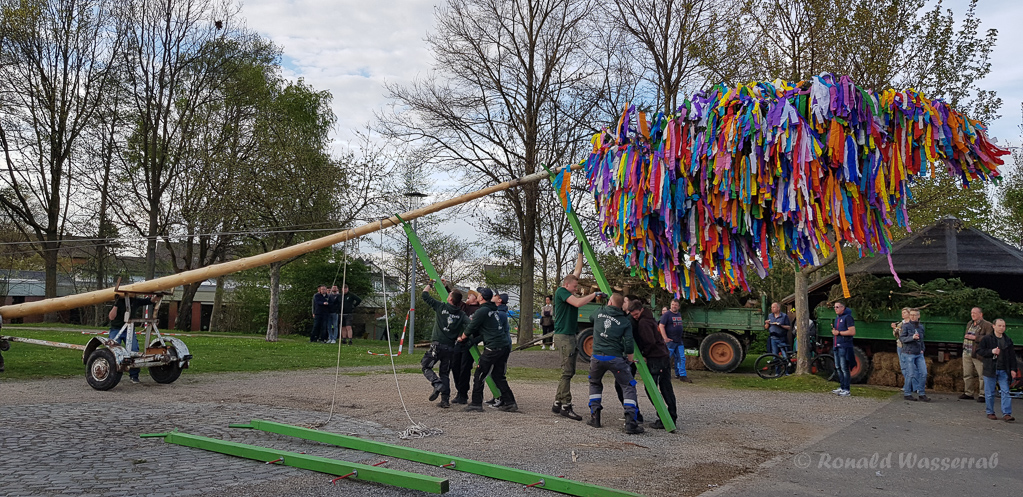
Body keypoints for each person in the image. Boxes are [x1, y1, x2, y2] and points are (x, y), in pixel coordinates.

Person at [585, 293, 643, 434]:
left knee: (595, 383)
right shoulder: (624, 321)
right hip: (615, 358)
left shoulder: (599, 312)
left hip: (597, 357)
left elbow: (591, 318)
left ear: (610, 302)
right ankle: (630, 421)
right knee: (628, 386)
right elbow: (629, 343)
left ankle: (595, 416)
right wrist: (629, 360)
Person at [552, 254, 600, 421]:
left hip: (568, 335)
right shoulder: (561, 292)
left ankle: (557, 402)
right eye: (574, 286)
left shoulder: (567, 285)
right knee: (567, 371)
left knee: (568, 372)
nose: (576, 288)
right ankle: (566, 405)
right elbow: (578, 303)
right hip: (564, 336)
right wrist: (594, 295)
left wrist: (580, 254)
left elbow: (577, 271)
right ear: (567, 285)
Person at [459, 288, 517, 412]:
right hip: (503, 345)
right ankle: (510, 402)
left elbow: (471, 327)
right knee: (498, 375)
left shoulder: (483, 311)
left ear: (481, 298)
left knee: (479, 374)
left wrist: (462, 338)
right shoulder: (493, 310)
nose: (478, 295)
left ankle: (476, 403)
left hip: (493, 347)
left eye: (479, 294)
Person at [626, 298, 678, 430]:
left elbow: (649, 341)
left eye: (636, 314)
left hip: (656, 357)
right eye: (633, 316)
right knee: (666, 386)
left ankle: (664, 416)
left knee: (652, 389)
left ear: (641, 310)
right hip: (663, 355)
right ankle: (671, 415)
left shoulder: (643, 323)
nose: (635, 317)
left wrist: (644, 354)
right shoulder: (649, 318)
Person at [421, 283, 469, 408]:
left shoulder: (440, 307)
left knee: (425, 366)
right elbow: (470, 326)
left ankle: (436, 383)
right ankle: (445, 400)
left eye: (449, 295)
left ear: (450, 299)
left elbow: (424, 295)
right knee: (445, 373)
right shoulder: (461, 314)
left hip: (437, 346)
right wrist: (461, 336)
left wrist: (429, 285)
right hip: (450, 348)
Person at [108, 293, 163, 384]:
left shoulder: (135, 301)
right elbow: (111, 317)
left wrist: (157, 296)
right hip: (116, 329)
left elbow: (149, 301)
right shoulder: (120, 302)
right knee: (113, 351)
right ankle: (112, 374)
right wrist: (116, 304)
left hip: (129, 330)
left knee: (134, 350)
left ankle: (134, 376)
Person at [976, 319, 1018, 422]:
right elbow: (979, 351)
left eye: (1003, 326)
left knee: (1005, 392)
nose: (1002, 328)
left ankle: (1007, 414)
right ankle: (990, 412)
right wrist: (991, 351)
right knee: (989, 393)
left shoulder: (1008, 340)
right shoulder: (987, 339)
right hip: (990, 369)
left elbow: (1012, 356)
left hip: (1004, 370)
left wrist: (1013, 369)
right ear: (994, 326)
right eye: (999, 326)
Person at [450, 288, 482, 404]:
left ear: (476, 298)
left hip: (469, 344)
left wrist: (474, 340)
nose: (468, 297)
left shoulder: (479, 310)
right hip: (459, 341)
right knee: (455, 365)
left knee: (465, 368)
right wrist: (446, 287)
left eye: (470, 295)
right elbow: (454, 300)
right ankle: (459, 391)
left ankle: (463, 394)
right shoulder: (464, 307)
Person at [960, 307, 994, 402]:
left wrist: (975, 337)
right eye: (971, 313)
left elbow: (989, 338)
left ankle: (983, 394)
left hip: (978, 353)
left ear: (981, 314)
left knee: (982, 375)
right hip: (967, 352)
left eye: (975, 313)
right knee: (967, 373)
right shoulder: (969, 323)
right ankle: (968, 393)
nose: (972, 314)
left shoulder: (987, 325)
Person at [899, 309, 930, 402]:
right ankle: (907, 393)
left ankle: (922, 393)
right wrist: (912, 337)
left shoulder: (921, 327)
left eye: (914, 315)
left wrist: (922, 349)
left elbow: (922, 339)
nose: (912, 317)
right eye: (911, 315)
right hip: (908, 353)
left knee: (924, 373)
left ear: (918, 316)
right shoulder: (906, 326)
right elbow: (902, 338)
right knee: (911, 374)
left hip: (918, 353)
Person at [658, 299, 691, 383]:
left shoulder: (678, 314)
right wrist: (665, 338)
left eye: (675, 305)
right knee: (666, 358)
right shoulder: (667, 315)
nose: (674, 306)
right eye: (672, 304)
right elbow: (661, 326)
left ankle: (682, 375)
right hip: (670, 341)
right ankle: (661, 373)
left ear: (678, 306)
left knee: (681, 358)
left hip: (679, 340)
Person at [831, 301, 856, 397]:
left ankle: (847, 389)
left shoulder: (848, 317)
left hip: (844, 345)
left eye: (837, 307)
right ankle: (841, 386)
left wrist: (839, 333)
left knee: (844, 367)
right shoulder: (837, 318)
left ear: (843, 308)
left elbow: (852, 331)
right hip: (836, 345)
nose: (835, 309)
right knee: (838, 367)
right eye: (834, 307)